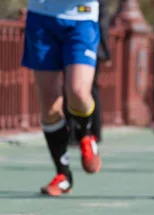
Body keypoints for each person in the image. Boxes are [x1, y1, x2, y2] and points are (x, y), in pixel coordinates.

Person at [22, 0, 102, 196]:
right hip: (42, 16)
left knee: (78, 92)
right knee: (49, 104)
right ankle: (63, 174)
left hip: (81, 17)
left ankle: (84, 132)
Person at [66, 0, 111, 145]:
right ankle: (82, 132)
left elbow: (102, 25)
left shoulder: (97, 3)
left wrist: (105, 52)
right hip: (81, 47)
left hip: (90, 47)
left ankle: (90, 132)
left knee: (85, 89)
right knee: (78, 88)